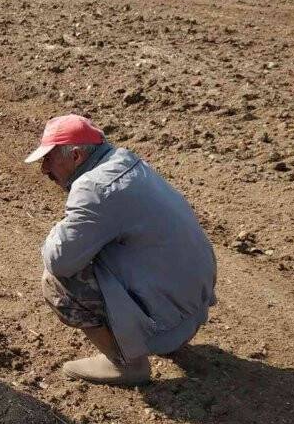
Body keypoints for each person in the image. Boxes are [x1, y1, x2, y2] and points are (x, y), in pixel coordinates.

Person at [25, 114, 216, 386]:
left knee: (56, 282)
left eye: (49, 159)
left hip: (169, 321)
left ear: (76, 156)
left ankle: (126, 364)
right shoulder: (126, 161)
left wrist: (57, 231)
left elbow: (60, 261)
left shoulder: (94, 188)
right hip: (195, 304)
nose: (44, 169)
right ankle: (166, 335)